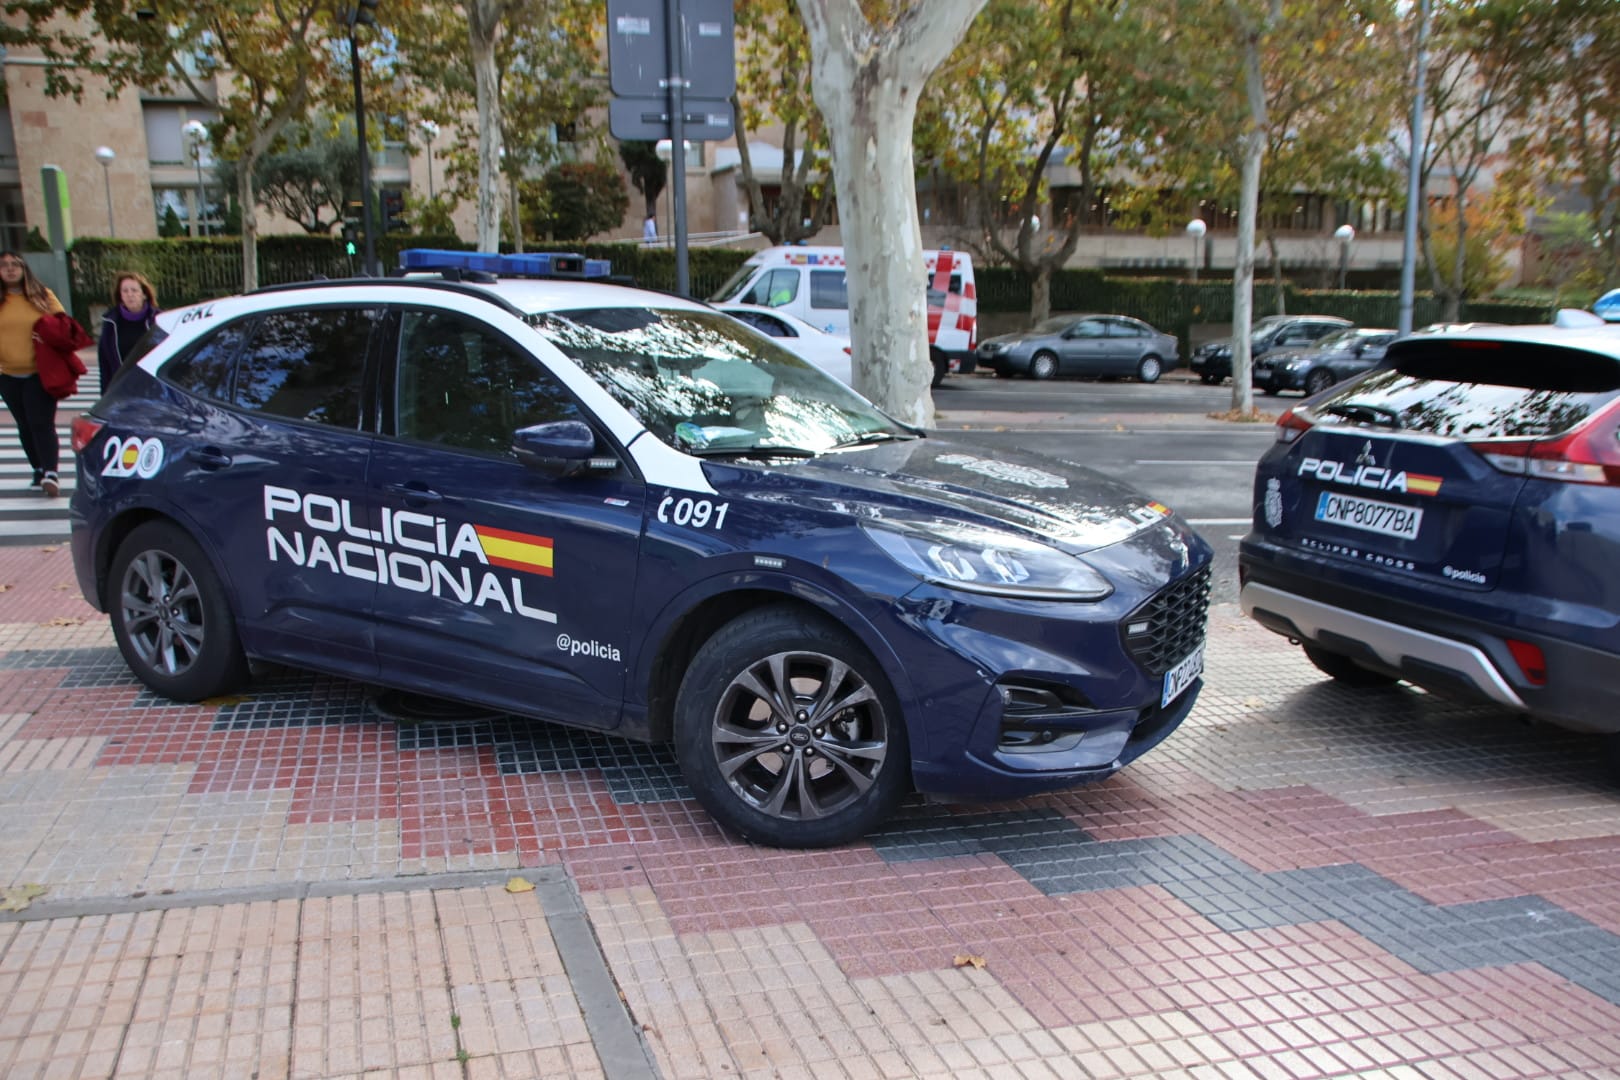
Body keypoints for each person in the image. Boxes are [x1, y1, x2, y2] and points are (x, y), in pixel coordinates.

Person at [0, 251, 67, 497]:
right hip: (8, 374)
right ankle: (38, 468)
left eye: (15, 264)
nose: (9, 269)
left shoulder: (42, 295)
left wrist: (49, 334)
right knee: (25, 425)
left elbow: (63, 324)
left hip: (40, 373)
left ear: (23, 268)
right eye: (4, 265)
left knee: (41, 423)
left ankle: (51, 472)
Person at [97, 271, 159, 390]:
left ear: (144, 294)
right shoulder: (110, 323)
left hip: (153, 387)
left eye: (134, 290)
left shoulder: (157, 320)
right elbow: (104, 364)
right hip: (122, 389)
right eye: (125, 291)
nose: (130, 294)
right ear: (120, 296)